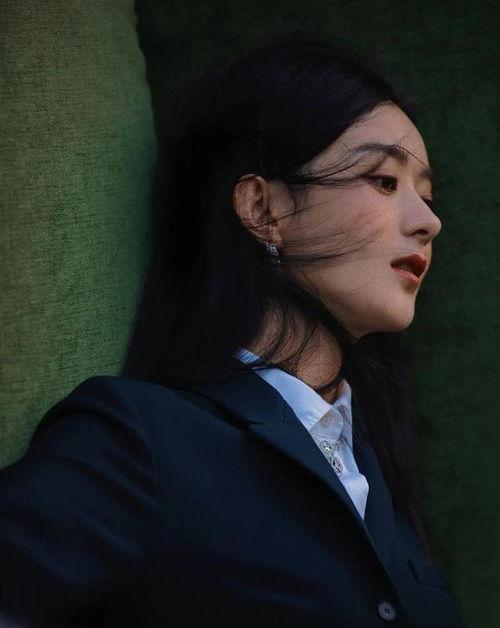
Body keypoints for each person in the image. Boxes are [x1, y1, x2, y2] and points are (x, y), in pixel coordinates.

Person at [0, 36, 462, 627]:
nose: (428, 221)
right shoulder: (142, 439)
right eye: (383, 180)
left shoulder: (379, 474)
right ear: (263, 209)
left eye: (426, 195)